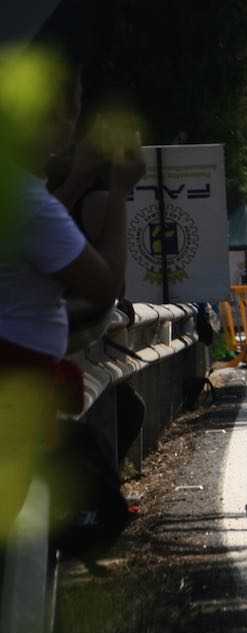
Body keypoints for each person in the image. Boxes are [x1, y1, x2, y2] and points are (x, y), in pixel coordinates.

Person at [0, 52, 145, 541]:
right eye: (76, 108)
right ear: (56, 117)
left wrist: (80, 177)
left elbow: (36, 239)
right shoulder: (29, 202)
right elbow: (105, 285)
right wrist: (120, 192)